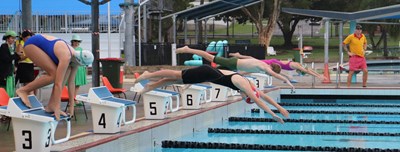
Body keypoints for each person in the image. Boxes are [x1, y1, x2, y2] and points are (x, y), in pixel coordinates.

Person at [134, 65, 289, 124]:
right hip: (207, 72)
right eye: (245, 99)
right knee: (176, 74)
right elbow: (259, 101)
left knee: (177, 80)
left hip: (208, 75)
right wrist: (273, 115)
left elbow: (264, 96)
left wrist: (279, 107)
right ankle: (148, 75)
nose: (242, 98)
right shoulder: (244, 86)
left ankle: (150, 86)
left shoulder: (248, 86)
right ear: (247, 95)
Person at [16, 34, 94, 120]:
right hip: (32, 44)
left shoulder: (75, 60)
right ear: (78, 60)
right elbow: (58, 84)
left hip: (42, 47)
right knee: (53, 75)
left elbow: (71, 83)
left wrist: (71, 106)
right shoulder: (67, 56)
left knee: (63, 74)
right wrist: (58, 108)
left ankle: (51, 105)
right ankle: (23, 90)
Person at [176, 46, 295, 89]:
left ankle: (187, 84)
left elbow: (249, 62)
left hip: (234, 68)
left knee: (211, 74)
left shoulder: (261, 65)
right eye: (270, 73)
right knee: (209, 57)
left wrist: (242, 74)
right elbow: (274, 74)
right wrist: (287, 81)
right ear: (272, 69)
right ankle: (187, 49)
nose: (269, 74)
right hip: (233, 63)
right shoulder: (265, 67)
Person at [229, 52, 326, 81]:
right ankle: (238, 56)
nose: (299, 72)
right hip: (272, 62)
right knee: (253, 61)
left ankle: (238, 69)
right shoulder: (297, 65)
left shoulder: (298, 66)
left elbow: (309, 69)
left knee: (254, 64)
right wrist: (319, 76)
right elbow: (309, 71)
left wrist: (318, 75)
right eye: (300, 72)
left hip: (275, 63)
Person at [15, 30, 35, 95]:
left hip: (30, 65)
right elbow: (19, 58)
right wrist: (28, 55)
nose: (28, 40)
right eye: (27, 38)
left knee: (30, 85)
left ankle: (29, 99)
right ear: (23, 38)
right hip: (24, 65)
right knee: (28, 86)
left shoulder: (29, 44)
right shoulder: (20, 44)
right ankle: (29, 100)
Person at [0, 30, 19, 97]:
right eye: (12, 38)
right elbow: (6, 58)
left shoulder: (10, 47)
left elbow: (12, 59)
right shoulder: (4, 46)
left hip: (10, 72)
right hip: (5, 73)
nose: (14, 40)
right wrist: (16, 55)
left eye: (14, 38)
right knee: (5, 89)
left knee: (11, 89)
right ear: (7, 38)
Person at [70, 34, 87, 106]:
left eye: (78, 41)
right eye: (75, 41)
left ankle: (74, 99)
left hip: (80, 68)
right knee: (72, 84)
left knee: (78, 85)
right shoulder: (70, 48)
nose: (77, 42)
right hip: (73, 67)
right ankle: (71, 101)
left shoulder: (81, 49)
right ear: (72, 41)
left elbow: (84, 58)